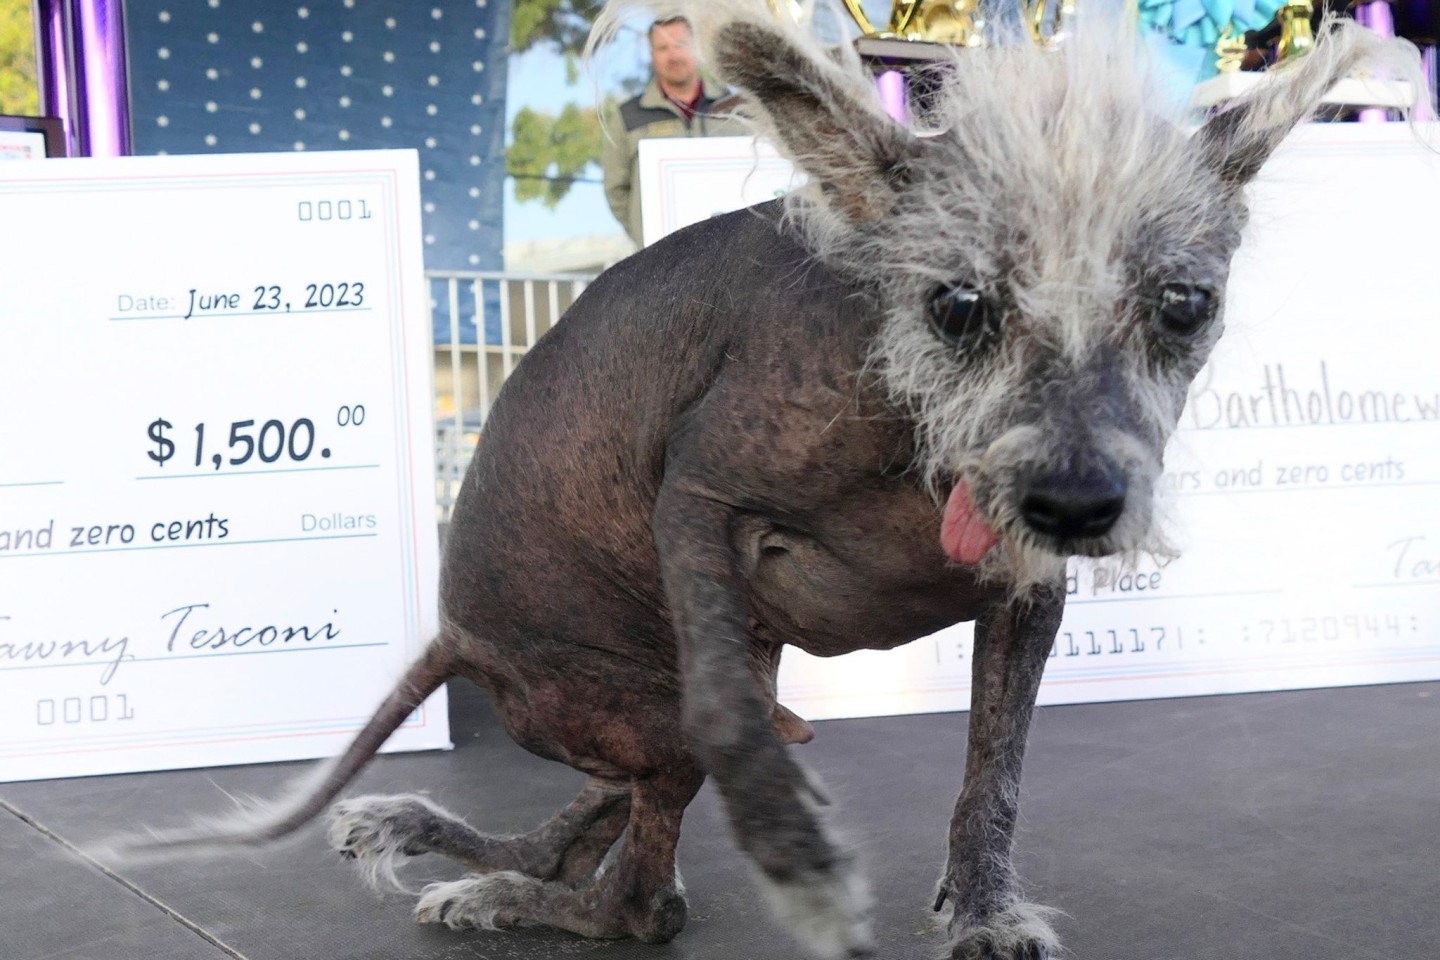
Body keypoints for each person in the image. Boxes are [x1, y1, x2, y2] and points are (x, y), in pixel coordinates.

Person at [602, 16, 744, 245]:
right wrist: (645, 235)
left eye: (680, 45)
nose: (673, 55)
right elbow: (616, 191)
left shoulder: (738, 108)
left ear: (697, 48)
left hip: (733, 253)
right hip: (661, 262)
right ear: (652, 56)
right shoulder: (626, 116)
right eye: (663, 48)